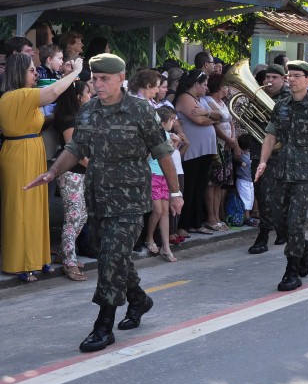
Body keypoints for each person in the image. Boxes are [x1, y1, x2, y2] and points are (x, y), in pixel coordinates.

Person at [24, 53, 183, 353]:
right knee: (115, 257)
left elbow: (163, 152)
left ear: (121, 79)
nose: (98, 84)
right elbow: (76, 146)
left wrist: (175, 193)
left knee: (110, 259)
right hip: (96, 197)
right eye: (94, 79)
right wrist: (53, 171)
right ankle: (139, 299)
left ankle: (103, 326)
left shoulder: (140, 110)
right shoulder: (88, 111)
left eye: (104, 79)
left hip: (130, 200)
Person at [0, 53, 85, 282]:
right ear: (19, 73)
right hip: (20, 154)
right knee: (21, 208)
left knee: (37, 207)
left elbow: (51, 100)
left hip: (31, 149)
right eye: (31, 70)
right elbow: (54, 92)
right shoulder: (19, 95)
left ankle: (37, 258)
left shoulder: (22, 96)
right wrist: (76, 72)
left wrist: (67, 75)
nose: (35, 73)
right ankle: (19, 263)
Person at [254, 61, 308, 291]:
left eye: (296, 76)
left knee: (295, 222)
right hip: (281, 171)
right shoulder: (280, 106)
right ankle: (305, 247)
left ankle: (292, 271)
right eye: (289, 76)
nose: (291, 79)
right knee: (279, 221)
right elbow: (270, 136)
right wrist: (263, 161)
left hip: (305, 174)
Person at [247, 64, 291, 253]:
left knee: (275, 197)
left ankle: (264, 235)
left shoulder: (289, 99)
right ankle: (278, 230)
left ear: (283, 79)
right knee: (262, 194)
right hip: (259, 152)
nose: (270, 81)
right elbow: (249, 120)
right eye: (267, 77)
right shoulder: (258, 95)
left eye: (274, 77)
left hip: (280, 154)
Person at [174, 69, 222, 235]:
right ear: (196, 84)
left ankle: (195, 222)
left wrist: (208, 113)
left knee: (199, 187)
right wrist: (211, 118)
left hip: (204, 151)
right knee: (189, 188)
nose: (207, 88)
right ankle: (183, 225)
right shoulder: (185, 98)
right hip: (192, 151)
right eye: (204, 84)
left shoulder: (199, 100)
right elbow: (199, 120)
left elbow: (221, 116)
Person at [52, 80, 92, 281]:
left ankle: (64, 253)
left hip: (81, 173)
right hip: (71, 173)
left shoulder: (80, 118)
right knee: (74, 216)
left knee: (82, 216)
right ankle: (69, 260)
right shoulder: (69, 120)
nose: (90, 96)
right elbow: (73, 151)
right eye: (87, 93)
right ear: (78, 97)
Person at [201, 73, 240, 232]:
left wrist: (232, 139)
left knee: (220, 183)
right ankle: (211, 216)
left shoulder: (223, 103)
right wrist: (228, 139)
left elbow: (231, 122)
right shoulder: (207, 101)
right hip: (217, 145)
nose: (227, 89)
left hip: (226, 145)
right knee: (211, 183)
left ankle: (217, 216)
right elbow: (215, 124)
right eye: (225, 86)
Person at [143, 106, 180, 262]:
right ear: (164, 122)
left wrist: (173, 144)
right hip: (152, 174)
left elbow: (167, 156)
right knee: (157, 210)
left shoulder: (167, 135)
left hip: (163, 175)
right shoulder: (155, 134)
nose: (173, 123)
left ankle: (166, 247)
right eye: (171, 120)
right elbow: (148, 156)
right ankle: (149, 238)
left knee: (165, 211)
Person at [236, 134, 259, 227]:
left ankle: (249, 216)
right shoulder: (240, 155)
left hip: (249, 180)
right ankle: (246, 217)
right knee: (245, 198)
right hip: (243, 180)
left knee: (250, 197)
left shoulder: (250, 154)